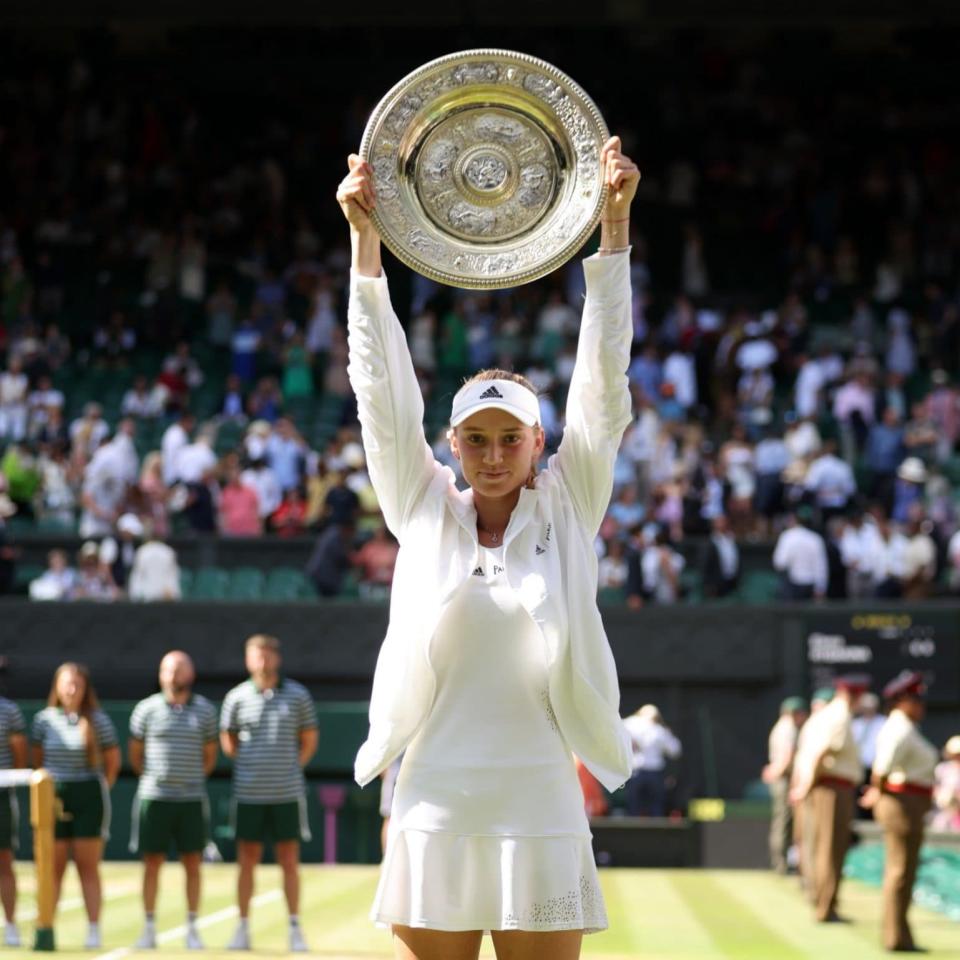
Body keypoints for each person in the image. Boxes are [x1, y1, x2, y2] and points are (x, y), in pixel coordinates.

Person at [338, 139, 637, 959]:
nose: (495, 453)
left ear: (540, 442)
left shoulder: (570, 504)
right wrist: (367, 246)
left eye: (512, 437)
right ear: (453, 444)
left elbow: (602, 388)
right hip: (434, 794)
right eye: (477, 438)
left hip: (540, 794)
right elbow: (380, 395)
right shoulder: (421, 506)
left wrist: (612, 231)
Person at [220, 635, 318, 953]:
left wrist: (288, 767)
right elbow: (228, 742)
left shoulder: (298, 695)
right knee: (246, 860)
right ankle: (243, 928)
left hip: (287, 793)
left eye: (267, 655)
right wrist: (253, 767)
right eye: (256, 656)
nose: (262, 661)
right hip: (248, 793)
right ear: (248, 660)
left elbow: (309, 739)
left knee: (289, 860)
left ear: (277, 658)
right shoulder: (236, 698)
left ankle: (294, 929)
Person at [130, 652, 218, 950]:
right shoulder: (145, 709)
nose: (172, 674)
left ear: (190, 674)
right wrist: (158, 778)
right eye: (167, 668)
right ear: (160, 674)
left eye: (179, 669)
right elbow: (136, 754)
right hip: (154, 798)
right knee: (151, 863)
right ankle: (149, 928)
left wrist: (187, 778)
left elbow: (209, 756)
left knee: (193, 863)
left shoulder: (205, 711)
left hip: (191, 799)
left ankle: (192, 927)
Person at [30, 663, 120, 949]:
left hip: (89, 795)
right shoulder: (43, 721)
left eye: (77, 685)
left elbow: (112, 762)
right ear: (57, 687)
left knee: (87, 866)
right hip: (53, 796)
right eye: (66, 684)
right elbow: (37, 760)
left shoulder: (99, 721)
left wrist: (95, 788)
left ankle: (93, 930)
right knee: (52, 866)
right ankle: (46, 927)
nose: (71, 690)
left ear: (85, 689)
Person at [860, 672, 939, 953]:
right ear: (902, 700)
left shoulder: (905, 726)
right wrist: (877, 790)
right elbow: (882, 767)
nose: (921, 705)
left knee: (903, 870)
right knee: (899, 870)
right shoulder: (899, 728)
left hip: (909, 803)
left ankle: (900, 934)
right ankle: (895, 937)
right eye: (915, 699)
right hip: (902, 804)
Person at [790, 674, 866, 923]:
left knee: (819, 846)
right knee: (830, 849)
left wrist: (803, 785)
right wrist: (807, 785)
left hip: (823, 786)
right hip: (832, 789)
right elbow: (821, 752)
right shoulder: (839, 715)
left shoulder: (825, 716)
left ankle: (821, 899)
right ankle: (825, 906)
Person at [762, 697, 808, 874]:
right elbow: (787, 755)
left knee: (782, 821)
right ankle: (781, 863)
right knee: (784, 821)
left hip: (780, 776)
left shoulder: (780, 727)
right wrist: (777, 772)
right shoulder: (788, 728)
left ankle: (780, 861)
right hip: (784, 779)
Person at [0, 696, 26, 947]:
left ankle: (10, 925)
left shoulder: (9, 710)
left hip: (2, 793)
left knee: (4, 858)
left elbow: (19, 753)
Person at [623, 704, 681, 816]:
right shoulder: (659, 730)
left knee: (633, 806)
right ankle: (656, 831)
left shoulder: (629, 724)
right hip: (654, 773)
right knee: (656, 806)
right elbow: (675, 750)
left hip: (636, 772)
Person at [773, 506, 828, 600]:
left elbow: (779, 563)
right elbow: (821, 567)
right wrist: (820, 588)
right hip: (808, 586)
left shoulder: (788, 536)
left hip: (794, 586)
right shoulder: (816, 538)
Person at [932, 735, 960, 832]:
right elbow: (934, 788)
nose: (957, 757)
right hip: (942, 813)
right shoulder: (942, 768)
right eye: (956, 754)